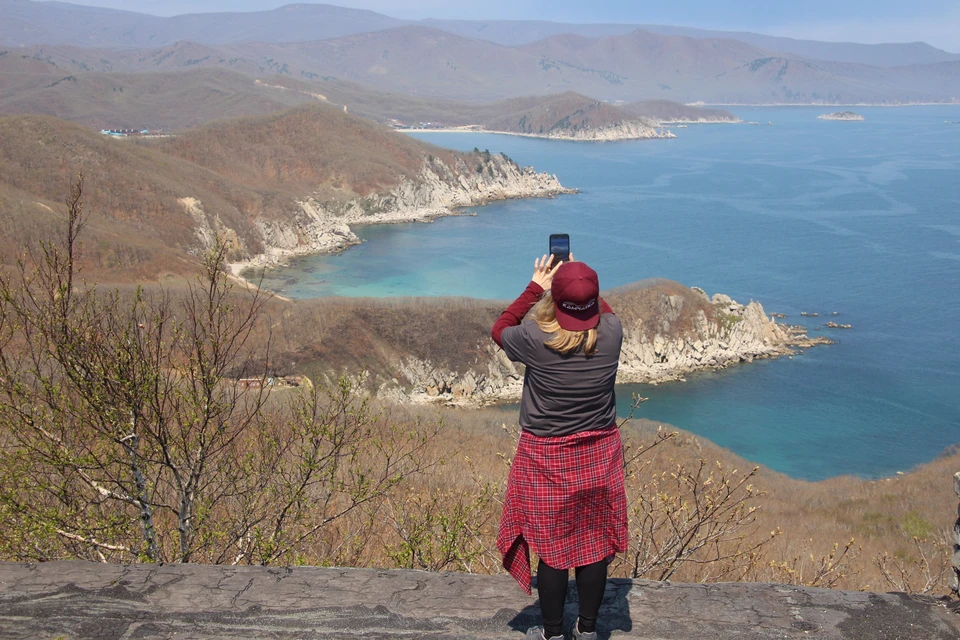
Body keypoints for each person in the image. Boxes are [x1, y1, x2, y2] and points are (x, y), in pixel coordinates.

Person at [492, 254, 627, 640]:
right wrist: (580, 280)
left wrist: (540, 285)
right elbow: (603, 308)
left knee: (551, 550)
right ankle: (587, 631)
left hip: (545, 456)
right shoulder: (613, 333)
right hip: (599, 451)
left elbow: (500, 327)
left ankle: (552, 635)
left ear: (556, 302)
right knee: (593, 543)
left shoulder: (536, 339)